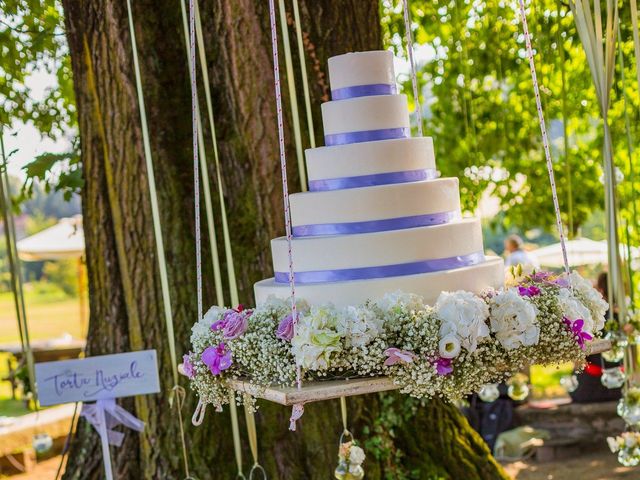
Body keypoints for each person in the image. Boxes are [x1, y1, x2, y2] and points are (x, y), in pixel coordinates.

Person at [569, 272, 621, 403]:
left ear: (601, 290)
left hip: (592, 386)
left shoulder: (595, 317)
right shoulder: (622, 316)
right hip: (618, 384)